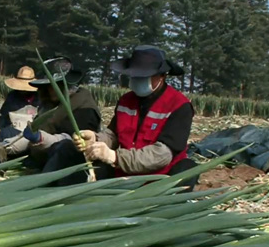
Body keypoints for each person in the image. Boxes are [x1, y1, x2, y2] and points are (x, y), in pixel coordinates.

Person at [72, 45, 200, 192]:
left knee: (187, 169)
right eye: (135, 76)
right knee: (83, 164)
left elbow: (162, 155)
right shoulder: (126, 101)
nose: (138, 80)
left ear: (162, 76)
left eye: (144, 76)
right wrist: (95, 139)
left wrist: (115, 157)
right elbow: (113, 135)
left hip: (159, 178)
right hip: (124, 174)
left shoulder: (179, 106)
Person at [0, 56, 102, 183]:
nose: (47, 90)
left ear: (65, 85)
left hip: (65, 166)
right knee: (6, 133)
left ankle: (39, 186)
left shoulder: (84, 109)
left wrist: (40, 138)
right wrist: (7, 145)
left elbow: (71, 142)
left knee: (64, 148)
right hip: (39, 154)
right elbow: (32, 133)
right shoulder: (50, 104)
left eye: (52, 85)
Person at [0, 66, 41, 138]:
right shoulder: (12, 96)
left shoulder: (40, 97)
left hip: (34, 133)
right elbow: (4, 117)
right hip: (13, 131)